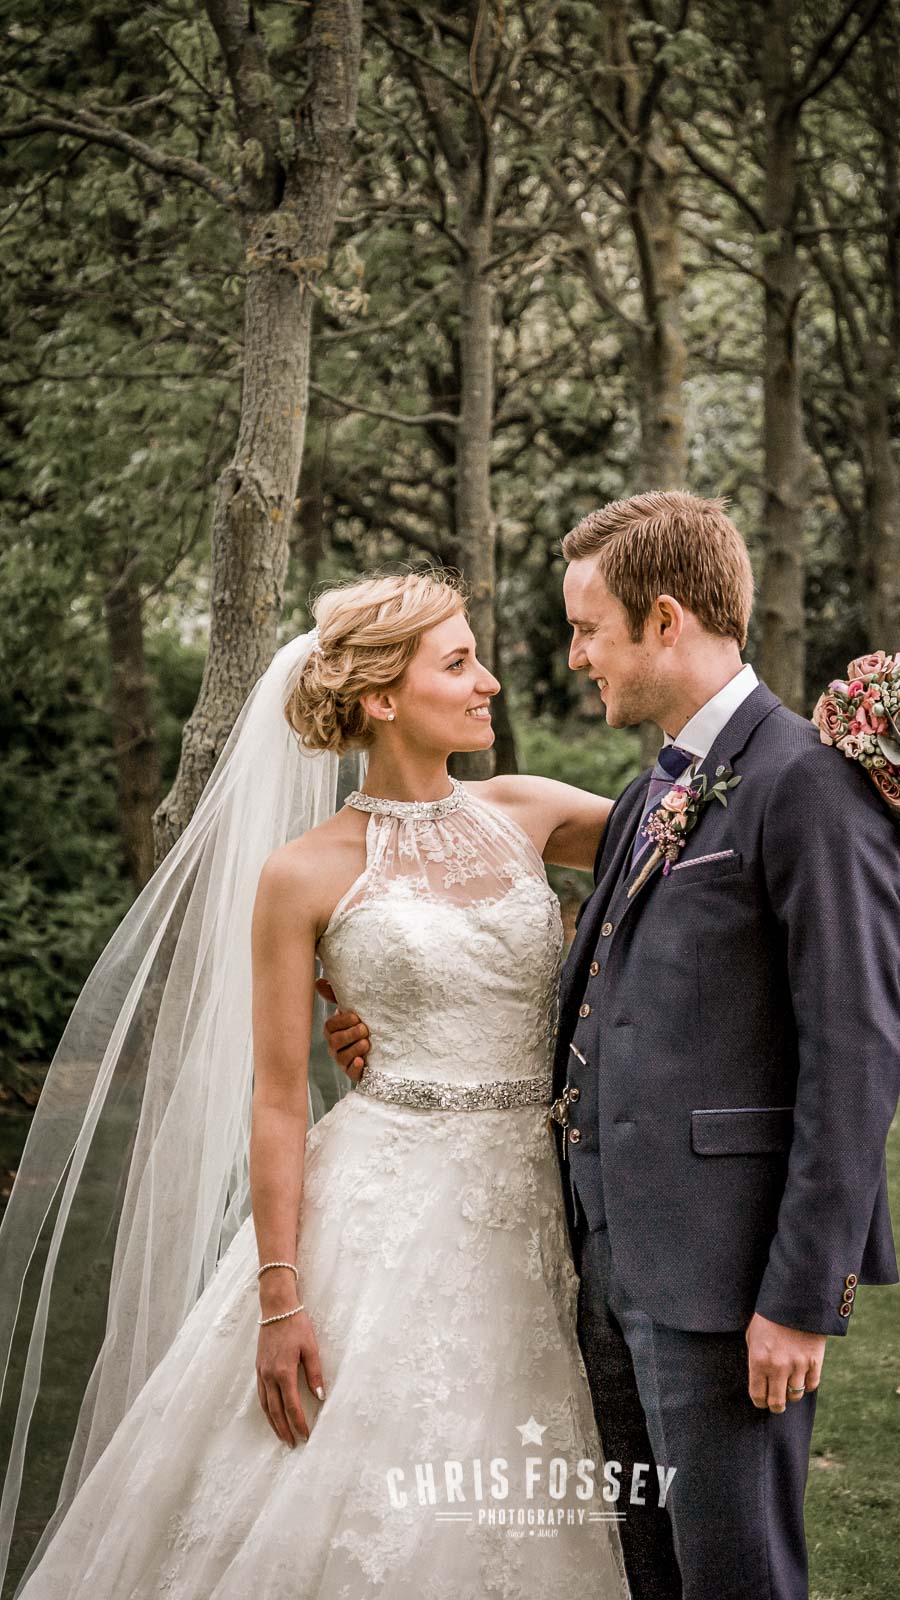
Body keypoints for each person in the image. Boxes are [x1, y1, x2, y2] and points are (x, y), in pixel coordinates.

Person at [0, 571, 632, 1599]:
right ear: (382, 696)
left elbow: (701, 842)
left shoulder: (530, 813)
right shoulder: (303, 874)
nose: (493, 682)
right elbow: (281, 1096)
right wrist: (280, 1292)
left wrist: (874, 764)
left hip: (537, 1198)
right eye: (460, 662)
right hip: (378, 1211)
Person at [325, 492, 900, 1600]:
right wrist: (392, 1027)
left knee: (735, 1575)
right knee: (642, 1573)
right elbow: (588, 989)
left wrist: (800, 1297)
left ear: (666, 620)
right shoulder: (653, 794)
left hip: (728, 1280)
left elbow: (858, 1055)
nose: (573, 651)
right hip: (604, 1261)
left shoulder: (808, 786)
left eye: (589, 627)